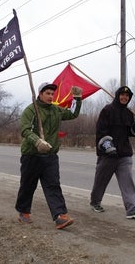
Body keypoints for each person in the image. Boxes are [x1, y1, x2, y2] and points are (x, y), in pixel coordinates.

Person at [15, 82, 83, 230]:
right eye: (47, 93)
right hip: (32, 155)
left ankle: (60, 216)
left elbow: (72, 114)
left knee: (53, 185)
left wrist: (77, 98)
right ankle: (24, 212)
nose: (50, 96)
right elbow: (25, 130)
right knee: (28, 185)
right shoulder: (31, 110)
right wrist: (37, 141)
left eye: (52, 94)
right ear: (40, 94)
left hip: (50, 155)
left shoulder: (56, 110)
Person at [90, 86, 135, 219]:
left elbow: (132, 133)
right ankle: (95, 202)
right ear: (117, 96)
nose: (124, 98)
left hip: (124, 154)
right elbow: (101, 131)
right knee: (101, 181)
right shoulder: (107, 110)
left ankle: (132, 209)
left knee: (127, 181)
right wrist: (108, 146)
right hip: (108, 155)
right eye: (122, 95)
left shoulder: (128, 113)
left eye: (127, 96)